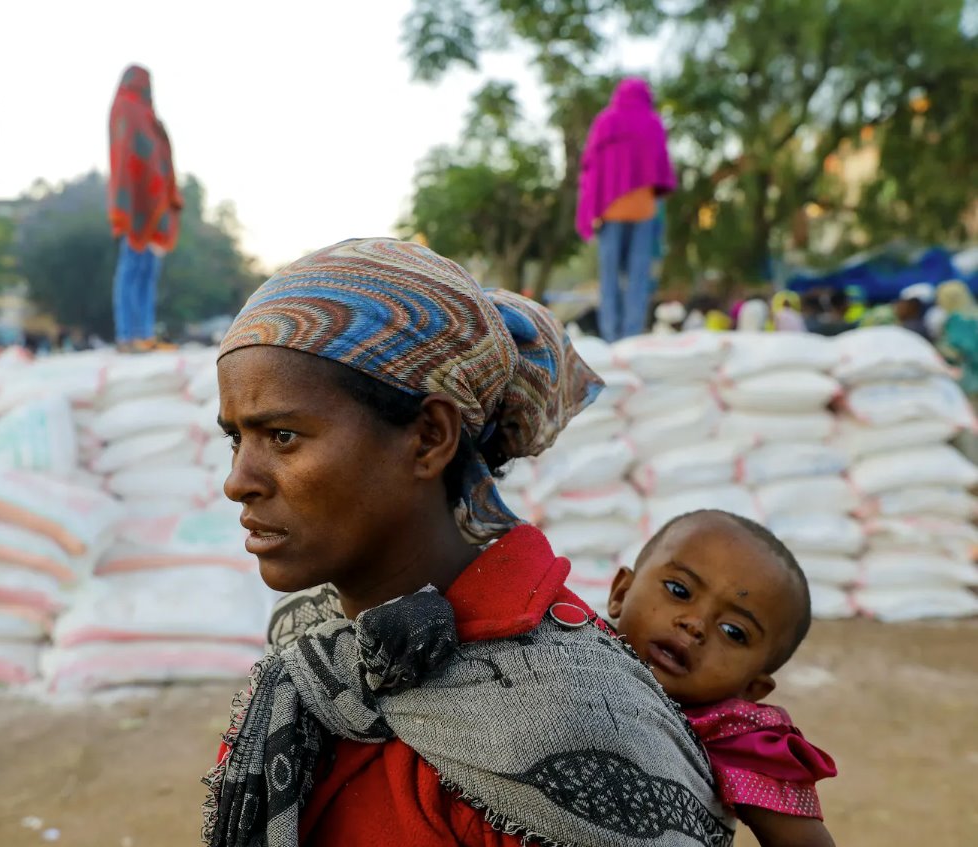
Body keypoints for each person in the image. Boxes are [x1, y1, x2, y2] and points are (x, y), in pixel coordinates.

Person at [204, 238, 736, 847]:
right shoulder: (315, 644)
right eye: (234, 440)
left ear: (430, 436)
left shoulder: (570, 712)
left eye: (283, 436)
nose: (237, 482)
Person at [608, 510, 838, 847]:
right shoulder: (562, 647)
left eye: (734, 631)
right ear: (620, 593)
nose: (695, 624)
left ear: (752, 689)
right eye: (679, 590)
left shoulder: (733, 736)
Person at [576, 78, 676, 343]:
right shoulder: (652, 122)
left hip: (610, 210)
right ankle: (631, 335)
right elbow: (661, 165)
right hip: (643, 209)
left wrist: (592, 206)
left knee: (609, 276)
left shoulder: (606, 121)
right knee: (638, 276)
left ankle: (610, 335)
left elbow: (590, 166)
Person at [107, 64, 183, 353]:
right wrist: (131, 201)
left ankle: (145, 333)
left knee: (148, 270)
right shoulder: (126, 108)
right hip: (136, 200)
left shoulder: (148, 115)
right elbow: (127, 155)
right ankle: (128, 335)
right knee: (131, 266)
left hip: (154, 203)